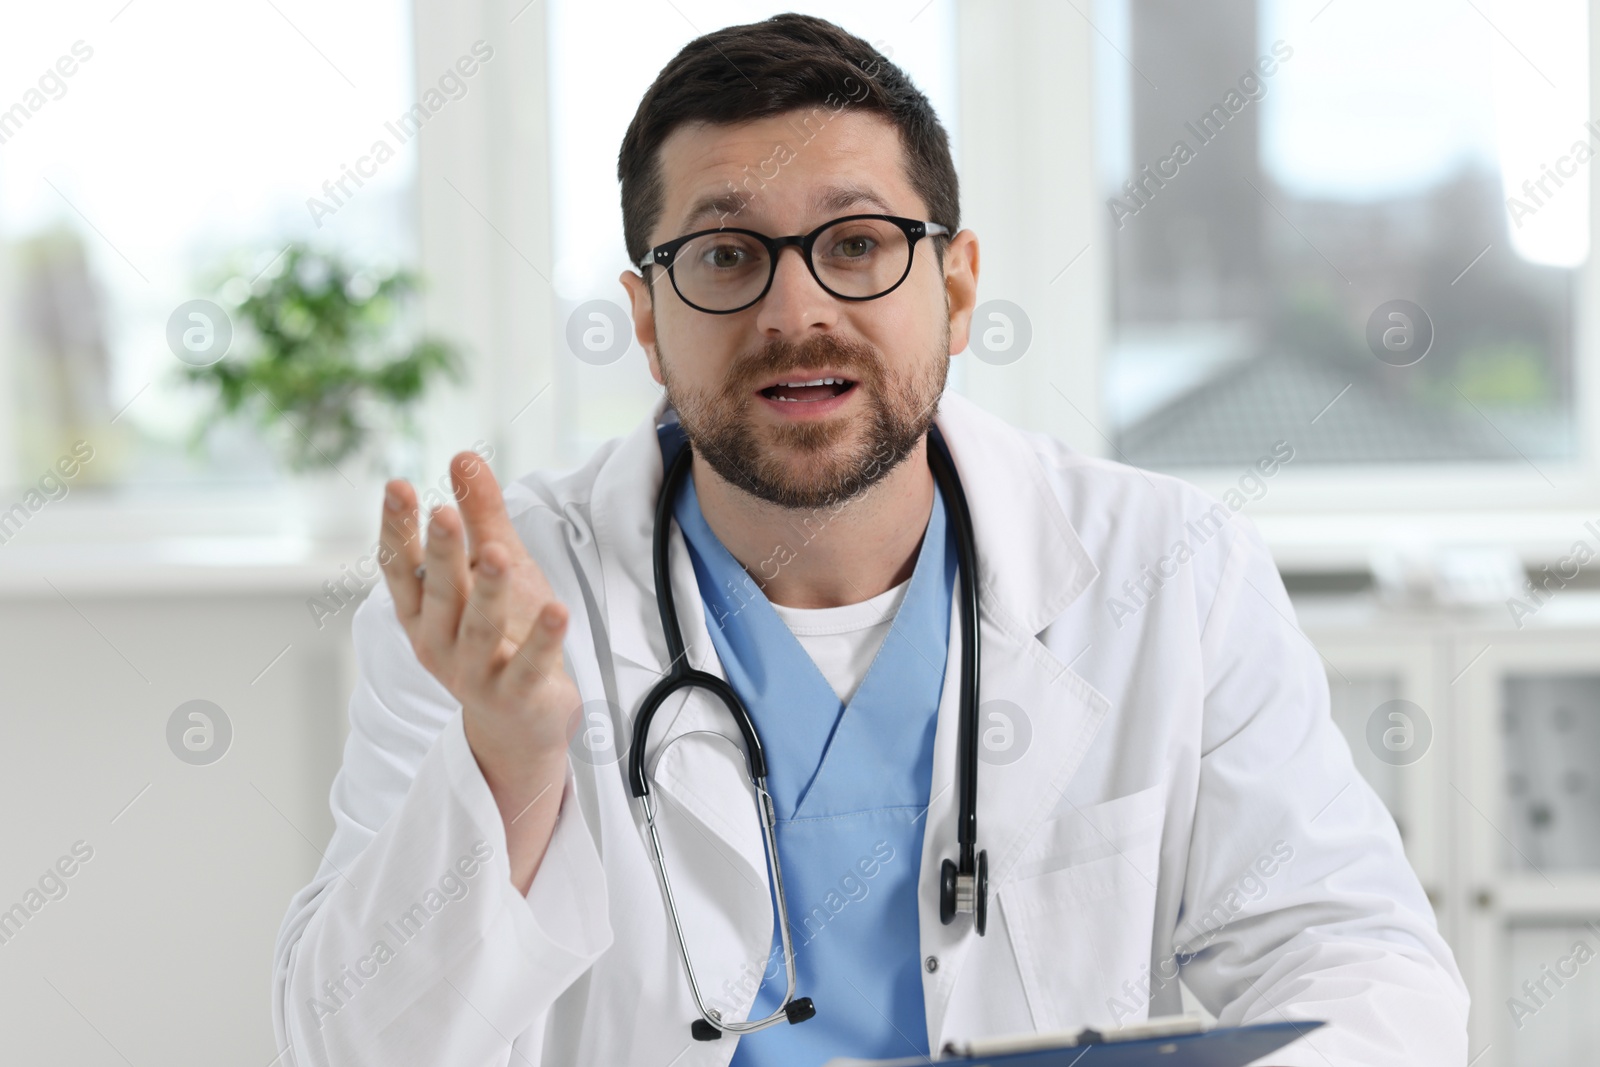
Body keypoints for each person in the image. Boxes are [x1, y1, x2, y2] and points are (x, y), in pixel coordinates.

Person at [271, 13, 1468, 1067]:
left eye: (855, 243)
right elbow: (346, 1043)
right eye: (725, 255)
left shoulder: (1174, 572)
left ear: (953, 285)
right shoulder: (497, 612)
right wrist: (511, 769)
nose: (797, 313)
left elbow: (1365, 969)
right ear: (645, 321)